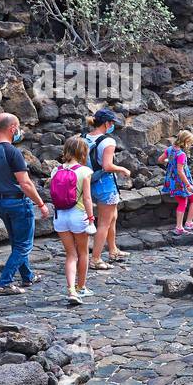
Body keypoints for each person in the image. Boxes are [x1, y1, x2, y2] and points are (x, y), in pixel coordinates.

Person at [0, 112, 51, 296]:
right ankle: (5, 282)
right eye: (18, 127)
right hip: (17, 202)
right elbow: (25, 183)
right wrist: (40, 203)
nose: (19, 130)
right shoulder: (12, 152)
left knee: (16, 242)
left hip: (0, 201)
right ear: (12, 128)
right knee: (23, 245)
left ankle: (28, 276)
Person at [50, 136, 95, 306]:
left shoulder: (55, 171)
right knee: (83, 253)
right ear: (83, 152)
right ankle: (81, 287)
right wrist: (91, 220)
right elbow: (88, 198)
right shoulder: (84, 172)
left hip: (60, 216)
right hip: (78, 215)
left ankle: (71, 290)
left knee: (71, 255)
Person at [85, 109, 131, 270]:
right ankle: (95, 259)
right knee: (104, 222)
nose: (112, 126)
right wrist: (122, 169)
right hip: (105, 183)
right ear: (106, 123)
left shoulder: (84, 138)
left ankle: (113, 250)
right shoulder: (108, 142)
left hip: (89, 181)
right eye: (111, 123)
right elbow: (107, 166)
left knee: (113, 216)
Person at [158, 130, 193, 235]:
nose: (190, 145)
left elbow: (160, 160)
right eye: (190, 143)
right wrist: (188, 185)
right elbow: (180, 172)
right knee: (187, 201)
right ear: (186, 142)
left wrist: (169, 162)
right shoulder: (181, 154)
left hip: (171, 180)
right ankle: (180, 226)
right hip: (180, 182)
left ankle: (187, 223)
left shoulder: (170, 149)